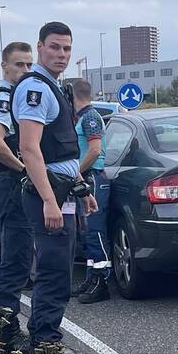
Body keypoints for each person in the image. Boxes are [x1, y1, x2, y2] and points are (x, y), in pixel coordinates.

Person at [13, 22, 96, 354]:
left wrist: (81, 188)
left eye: (66, 49)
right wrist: (49, 199)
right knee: (53, 275)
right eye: (54, 48)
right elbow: (29, 149)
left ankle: (43, 350)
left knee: (58, 273)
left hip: (62, 191)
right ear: (40, 47)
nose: (61, 55)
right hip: (49, 195)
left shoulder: (53, 88)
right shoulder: (34, 89)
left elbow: (62, 151)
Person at [0, 41, 34, 354]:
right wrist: (24, 169)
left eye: (29, 65)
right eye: (20, 65)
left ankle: (0, 322)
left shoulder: (15, 97)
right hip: (11, 184)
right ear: (5, 66)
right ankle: (8, 332)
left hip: (8, 185)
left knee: (8, 256)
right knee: (16, 260)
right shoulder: (4, 99)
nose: (26, 71)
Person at [70, 79, 111, 304]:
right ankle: (91, 277)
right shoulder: (82, 117)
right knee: (86, 233)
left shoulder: (90, 117)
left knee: (94, 231)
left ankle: (102, 281)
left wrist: (74, 171)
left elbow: (94, 151)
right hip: (85, 178)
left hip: (92, 177)